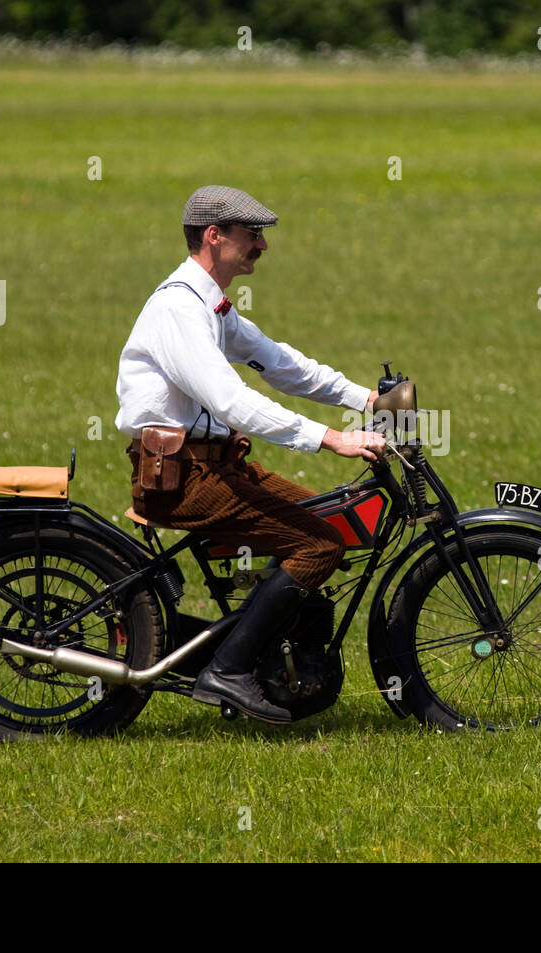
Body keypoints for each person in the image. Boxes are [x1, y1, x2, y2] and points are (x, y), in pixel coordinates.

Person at [115, 184, 389, 724]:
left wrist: (366, 399)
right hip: (184, 477)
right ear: (214, 237)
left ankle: (272, 659)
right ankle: (228, 670)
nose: (262, 245)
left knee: (325, 523)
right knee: (319, 543)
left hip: (214, 466)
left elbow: (281, 363)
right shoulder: (179, 308)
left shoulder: (211, 305)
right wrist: (332, 439)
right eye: (253, 234)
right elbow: (231, 401)